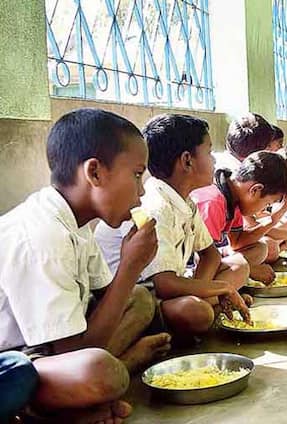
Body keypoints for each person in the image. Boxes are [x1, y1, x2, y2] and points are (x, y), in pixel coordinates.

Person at [0, 108, 173, 422]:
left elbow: (112, 300)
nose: (142, 190)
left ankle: (84, 403)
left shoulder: (76, 223)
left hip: (62, 351)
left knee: (141, 300)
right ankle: (50, 409)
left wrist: (128, 276)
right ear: (94, 172)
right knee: (100, 372)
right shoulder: (41, 236)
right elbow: (75, 353)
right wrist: (130, 267)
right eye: (137, 174)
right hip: (17, 364)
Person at [94, 114, 253, 339]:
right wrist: (221, 289)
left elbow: (210, 255)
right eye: (208, 152)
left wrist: (205, 289)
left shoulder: (185, 200)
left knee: (239, 265)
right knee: (195, 312)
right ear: (187, 160)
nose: (214, 161)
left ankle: (210, 305)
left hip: (173, 285)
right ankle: (208, 309)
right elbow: (163, 284)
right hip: (139, 300)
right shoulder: (155, 205)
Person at [191, 152, 287, 277]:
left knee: (260, 249)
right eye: (267, 203)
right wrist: (251, 271)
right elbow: (203, 260)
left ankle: (229, 283)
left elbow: (237, 243)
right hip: (192, 271)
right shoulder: (213, 202)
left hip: (209, 261)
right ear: (255, 190)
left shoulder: (234, 197)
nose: (264, 208)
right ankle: (222, 292)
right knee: (240, 267)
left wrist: (273, 220)